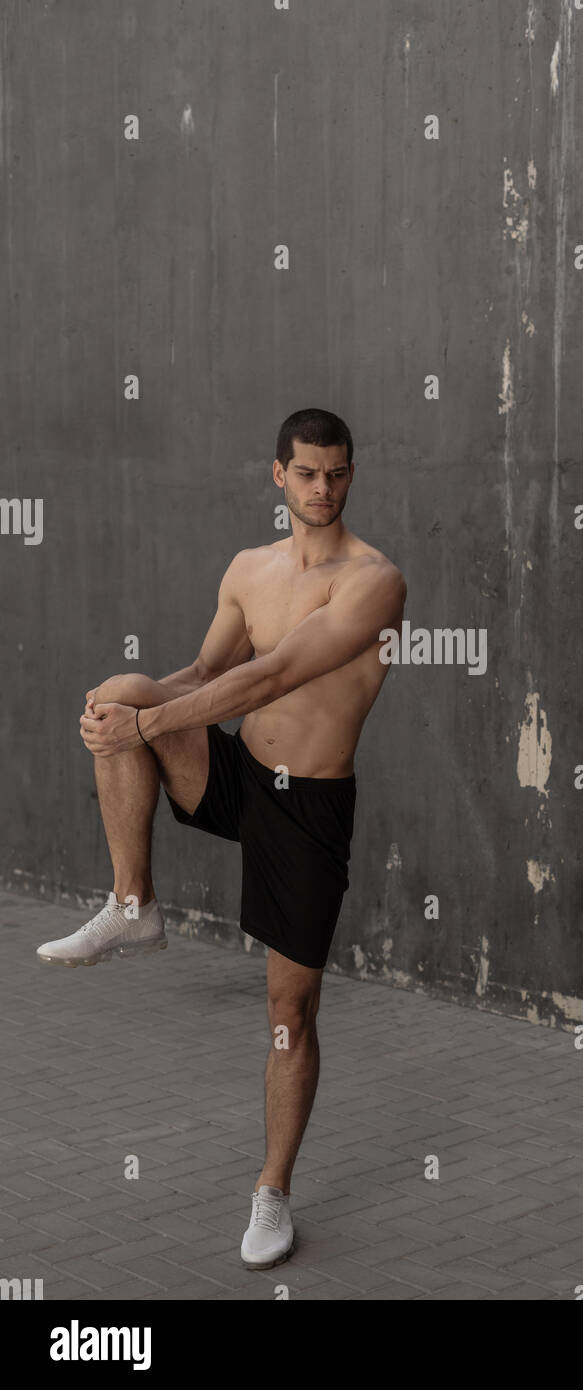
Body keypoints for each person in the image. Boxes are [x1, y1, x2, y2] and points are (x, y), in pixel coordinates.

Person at [37, 408, 406, 1270]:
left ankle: (272, 1191)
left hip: (310, 805)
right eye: (308, 473)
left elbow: (274, 673)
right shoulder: (249, 570)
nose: (324, 489)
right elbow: (206, 674)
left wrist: (144, 725)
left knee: (290, 1013)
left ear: (352, 476)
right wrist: (120, 719)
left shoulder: (373, 579)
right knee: (119, 687)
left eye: (339, 474)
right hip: (243, 774)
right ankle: (134, 903)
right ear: (277, 474)